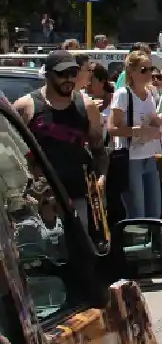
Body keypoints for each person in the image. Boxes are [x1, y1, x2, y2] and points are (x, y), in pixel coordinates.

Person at [13, 50, 107, 227]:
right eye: (62, 74)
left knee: (79, 250)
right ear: (48, 75)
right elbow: (11, 155)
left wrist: (102, 178)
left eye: (73, 73)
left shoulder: (87, 107)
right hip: (39, 202)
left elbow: (99, 151)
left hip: (77, 198)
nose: (69, 79)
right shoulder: (25, 107)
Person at [108, 51, 162, 221]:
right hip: (131, 158)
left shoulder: (150, 94)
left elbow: (150, 120)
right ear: (131, 72)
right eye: (144, 70)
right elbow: (112, 128)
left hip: (149, 157)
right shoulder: (123, 94)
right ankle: (137, 245)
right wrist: (138, 131)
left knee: (154, 211)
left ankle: (150, 246)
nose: (149, 73)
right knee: (137, 212)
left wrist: (159, 120)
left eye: (151, 69)